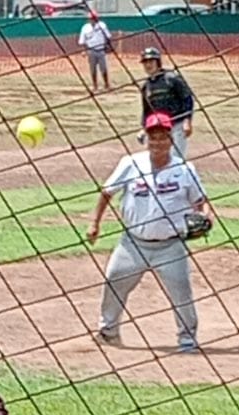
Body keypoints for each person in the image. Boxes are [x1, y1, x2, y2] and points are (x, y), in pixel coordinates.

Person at [87, 110, 212, 353]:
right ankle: (108, 332)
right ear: (146, 138)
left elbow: (201, 200)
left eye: (162, 137)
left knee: (181, 293)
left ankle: (187, 341)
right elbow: (106, 193)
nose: (157, 142)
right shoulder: (131, 163)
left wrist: (207, 215)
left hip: (170, 246)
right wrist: (95, 223)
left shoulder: (184, 169)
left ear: (171, 139)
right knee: (114, 282)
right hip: (132, 245)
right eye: (152, 137)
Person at [138, 47, 195, 159]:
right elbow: (147, 110)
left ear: (158, 62)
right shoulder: (146, 86)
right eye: (145, 62)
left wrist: (187, 120)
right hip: (157, 128)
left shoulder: (172, 78)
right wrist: (143, 128)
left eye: (151, 61)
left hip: (176, 124)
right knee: (156, 158)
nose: (148, 65)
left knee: (176, 158)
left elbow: (187, 98)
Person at [78, 10, 113, 92]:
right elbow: (82, 41)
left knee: (103, 68)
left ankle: (107, 84)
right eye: (91, 19)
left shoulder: (102, 26)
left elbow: (108, 37)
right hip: (91, 50)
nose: (92, 20)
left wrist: (108, 46)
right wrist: (84, 50)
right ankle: (95, 86)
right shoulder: (85, 28)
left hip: (101, 50)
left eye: (94, 18)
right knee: (93, 69)